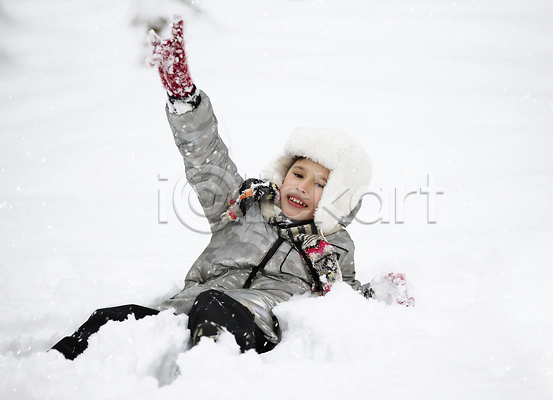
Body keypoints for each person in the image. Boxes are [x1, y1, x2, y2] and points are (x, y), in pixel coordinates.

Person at [51, 16, 408, 360]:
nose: (302, 187)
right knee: (114, 318)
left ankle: (204, 378)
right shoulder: (242, 208)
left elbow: (344, 293)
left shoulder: (334, 247)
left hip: (252, 322)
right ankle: (57, 367)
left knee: (213, 307)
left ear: (336, 199)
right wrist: (184, 100)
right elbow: (207, 161)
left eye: (320, 184)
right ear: (283, 175)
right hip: (183, 310)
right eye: (298, 174)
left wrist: (380, 294)